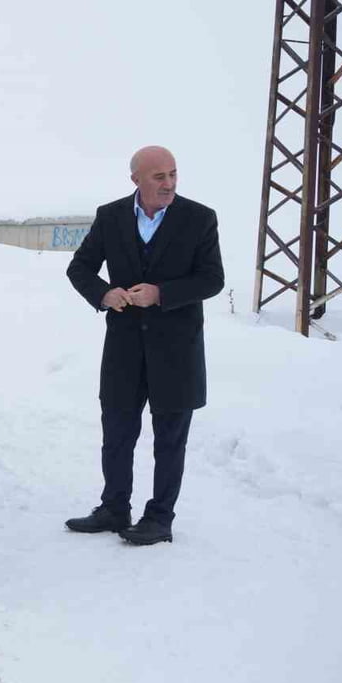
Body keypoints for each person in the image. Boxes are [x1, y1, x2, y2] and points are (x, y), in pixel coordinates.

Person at [65, 145, 224, 545]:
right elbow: (79, 267)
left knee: (170, 438)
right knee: (117, 431)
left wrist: (162, 294)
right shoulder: (111, 216)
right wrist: (104, 294)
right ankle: (114, 507)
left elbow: (212, 279)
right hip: (123, 350)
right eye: (159, 176)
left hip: (177, 352)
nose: (168, 183)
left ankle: (159, 518)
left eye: (173, 174)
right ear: (135, 179)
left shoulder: (199, 219)